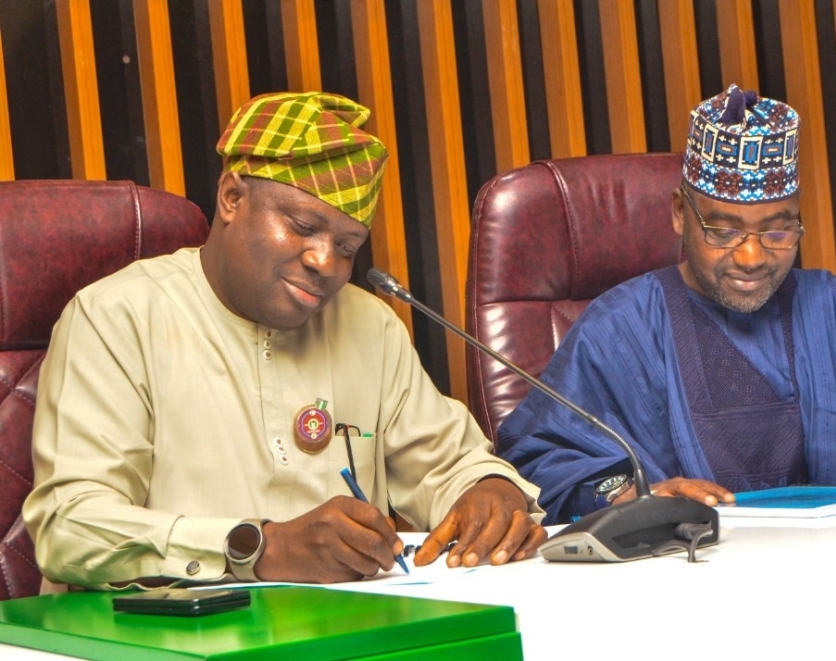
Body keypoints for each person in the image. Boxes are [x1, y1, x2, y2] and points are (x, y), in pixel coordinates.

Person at [25, 91, 545, 591]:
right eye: (302, 226)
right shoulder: (118, 316)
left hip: (339, 632)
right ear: (232, 198)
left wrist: (489, 492)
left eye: (346, 247)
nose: (325, 262)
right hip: (159, 636)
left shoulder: (369, 325)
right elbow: (71, 526)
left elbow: (448, 463)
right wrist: (261, 548)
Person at [496, 84, 836, 525]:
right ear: (679, 214)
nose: (753, 256)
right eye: (723, 229)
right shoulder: (620, 326)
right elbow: (540, 458)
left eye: (778, 229)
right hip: (678, 580)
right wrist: (629, 496)